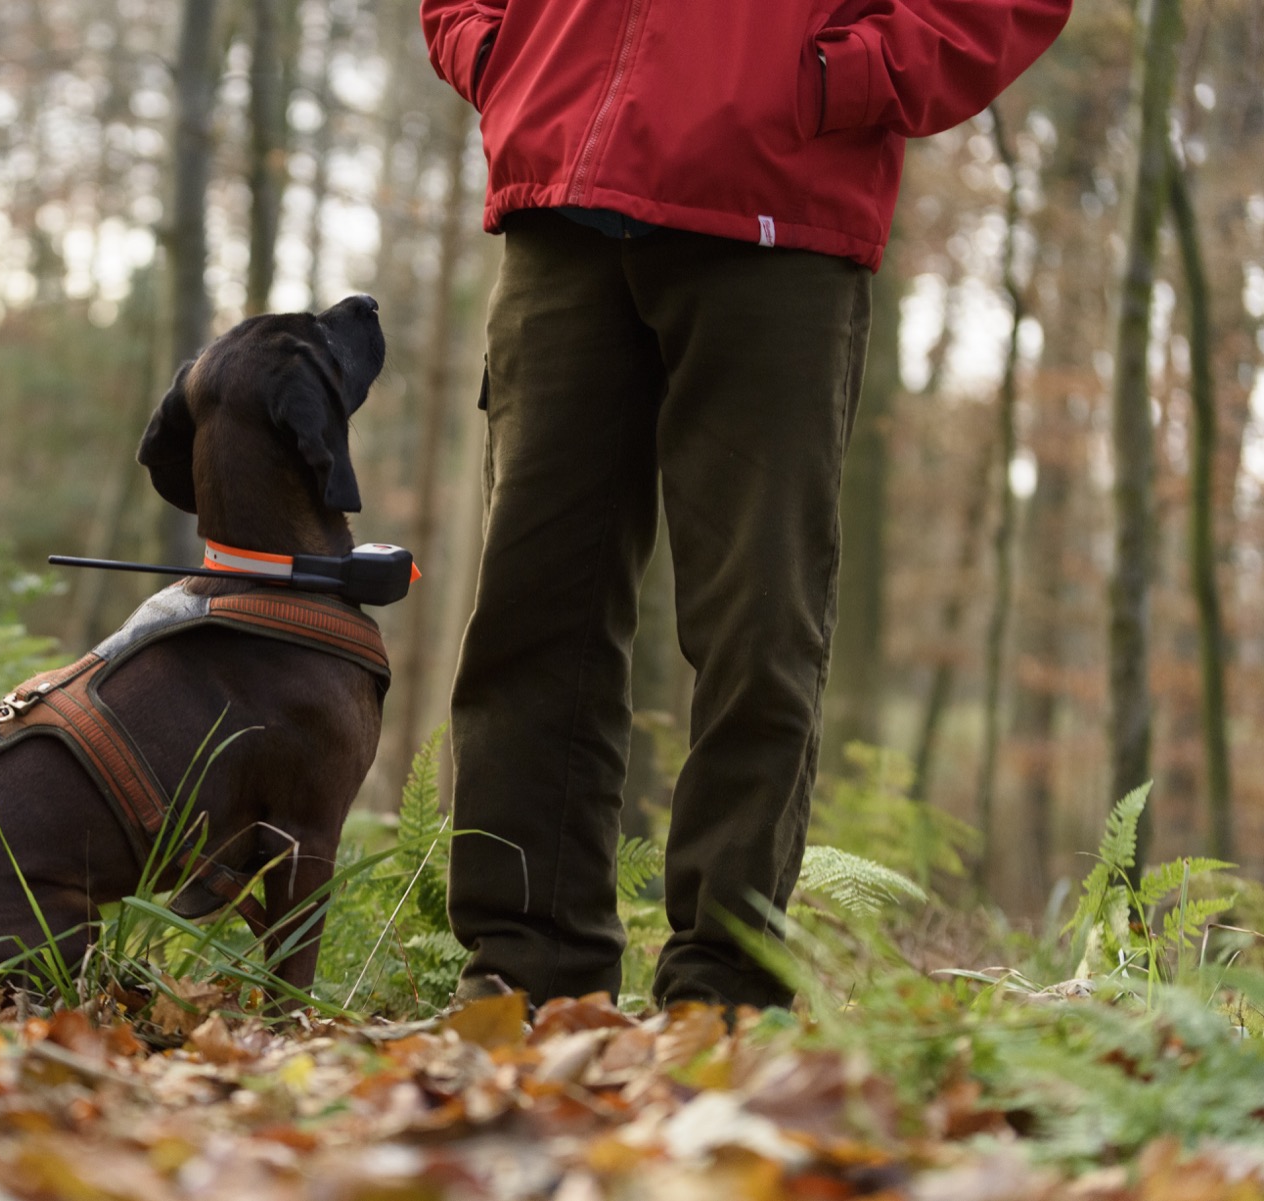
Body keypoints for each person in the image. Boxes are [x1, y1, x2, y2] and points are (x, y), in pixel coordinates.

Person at [421, 0, 1073, 1011]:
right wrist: (501, 53)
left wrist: (843, 78)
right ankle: (523, 981)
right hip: (562, 208)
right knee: (528, 619)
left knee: (758, 628)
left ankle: (722, 996)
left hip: (779, 220)